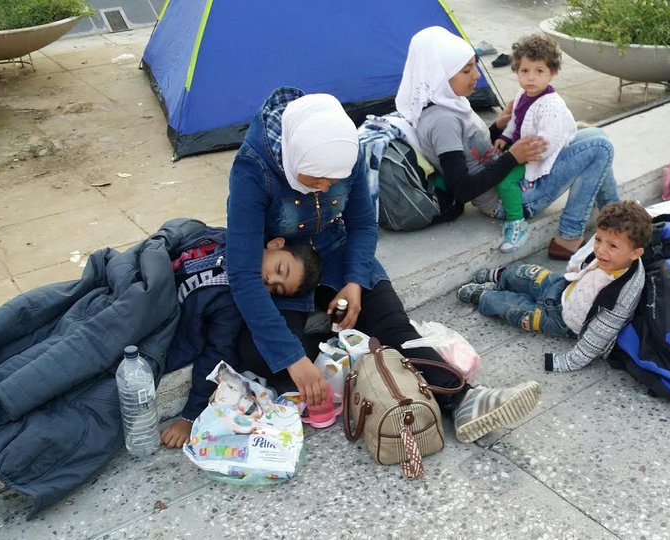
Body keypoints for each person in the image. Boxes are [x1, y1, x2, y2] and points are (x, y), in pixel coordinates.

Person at [226, 86, 542, 444]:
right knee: (260, 355)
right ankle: (361, 366)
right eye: (316, 181)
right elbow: (243, 273)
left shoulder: (344, 147)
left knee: (394, 327)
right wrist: (293, 357)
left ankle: (465, 398)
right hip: (285, 266)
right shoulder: (253, 169)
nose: (325, 188)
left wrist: (355, 281)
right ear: (294, 159)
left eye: (333, 182)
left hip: (336, 251)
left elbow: (361, 223)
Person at [397, 26, 620, 261]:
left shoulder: (448, 104)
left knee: (597, 136)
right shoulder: (442, 121)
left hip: (510, 178)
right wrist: (512, 157)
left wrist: (498, 128)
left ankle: (617, 219)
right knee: (600, 148)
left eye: (475, 65)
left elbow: (472, 151)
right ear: (439, 74)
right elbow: (462, 188)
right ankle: (571, 235)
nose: (477, 75)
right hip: (507, 198)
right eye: (466, 70)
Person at [159, 232, 321, 448]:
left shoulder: (231, 304)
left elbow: (217, 355)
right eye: (280, 269)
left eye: (276, 288)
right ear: (275, 244)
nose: (271, 280)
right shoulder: (229, 239)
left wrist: (189, 417)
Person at [457, 201, 651, 373]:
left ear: (636, 253)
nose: (600, 249)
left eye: (612, 246)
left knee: (515, 310)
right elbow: (589, 263)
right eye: (598, 240)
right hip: (565, 287)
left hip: (562, 321)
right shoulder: (611, 257)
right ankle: (500, 276)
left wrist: (566, 363)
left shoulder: (623, 294)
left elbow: (598, 336)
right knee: (528, 274)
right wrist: (579, 270)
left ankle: (483, 297)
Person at [491, 34, 578, 254]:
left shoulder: (550, 105)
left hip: (530, 154)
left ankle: (517, 223)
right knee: (491, 165)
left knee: (505, 183)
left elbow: (546, 144)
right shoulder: (523, 94)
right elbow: (515, 122)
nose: (531, 78)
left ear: (552, 73)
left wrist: (521, 159)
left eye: (539, 71)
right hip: (518, 148)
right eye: (525, 71)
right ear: (517, 71)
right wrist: (505, 137)